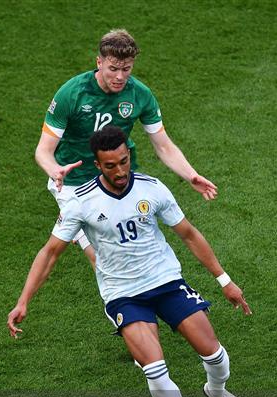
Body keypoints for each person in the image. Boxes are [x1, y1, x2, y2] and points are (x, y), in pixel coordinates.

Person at [8, 126, 253, 397]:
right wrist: (23, 300)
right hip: (124, 295)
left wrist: (224, 280)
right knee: (155, 369)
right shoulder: (82, 202)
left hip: (166, 281)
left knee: (213, 353)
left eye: (124, 161)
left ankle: (217, 391)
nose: (120, 171)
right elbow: (50, 252)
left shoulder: (152, 189)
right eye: (111, 166)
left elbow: (189, 235)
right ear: (98, 165)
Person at [35, 28, 218, 266]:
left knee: (135, 247)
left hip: (119, 178)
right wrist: (54, 170)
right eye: (113, 68)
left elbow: (163, 146)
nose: (120, 76)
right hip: (74, 183)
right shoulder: (72, 94)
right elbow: (43, 150)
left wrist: (191, 175)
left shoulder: (139, 94)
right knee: (101, 257)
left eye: (126, 69)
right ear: (99, 62)